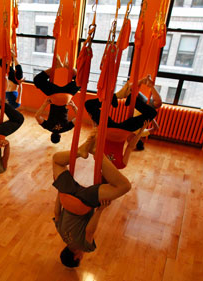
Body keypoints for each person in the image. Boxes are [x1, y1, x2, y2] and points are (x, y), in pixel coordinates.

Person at [52, 133, 131, 267]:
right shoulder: (62, 235)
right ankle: (79, 151)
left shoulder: (84, 247)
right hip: (67, 197)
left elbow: (89, 231)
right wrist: (60, 191)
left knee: (124, 186)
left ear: (77, 257)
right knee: (56, 160)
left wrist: (100, 210)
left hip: (82, 204)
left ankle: (97, 153)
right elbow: (57, 213)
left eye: (80, 258)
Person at [85, 76, 158, 168]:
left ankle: (117, 96)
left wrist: (95, 123)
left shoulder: (99, 161)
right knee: (152, 113)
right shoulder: (120, 165)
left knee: (88, 104)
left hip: (109, 129)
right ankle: (130, 99)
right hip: (122, 131)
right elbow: (130, 146)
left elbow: (97, 139)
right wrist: (142, 129)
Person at [33, 60, 81, 143]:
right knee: (37, 80)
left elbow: (78, 117)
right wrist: (45, 104)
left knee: (81, 80)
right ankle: (56, 67)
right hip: (54, 96)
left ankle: (68, 67)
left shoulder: (66, 128)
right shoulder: (48, 127)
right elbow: (37, 116)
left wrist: (73, 106)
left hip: (66, 97)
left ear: (60, 136)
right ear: (51, 135)